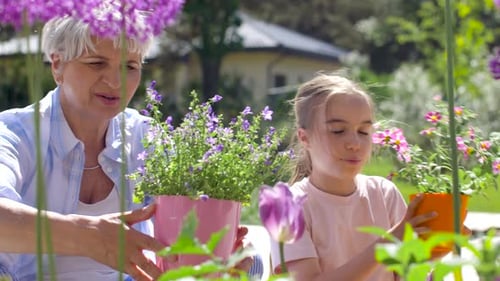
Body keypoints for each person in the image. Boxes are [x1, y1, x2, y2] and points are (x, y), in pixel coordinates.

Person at [0, 16, 255, 281]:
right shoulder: (15, 135)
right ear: (57, 65)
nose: (116, 81)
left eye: (130, 66)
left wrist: (221, 258)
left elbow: (191, 225)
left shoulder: (144, 136)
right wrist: (91, 237)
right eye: (97, 63)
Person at [269, 73, 439, 281]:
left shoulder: (385, 195)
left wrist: (440, 248)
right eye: (338, 131)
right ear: (305, 137)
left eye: (364, 131)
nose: (355, 143)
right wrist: (388, 245)